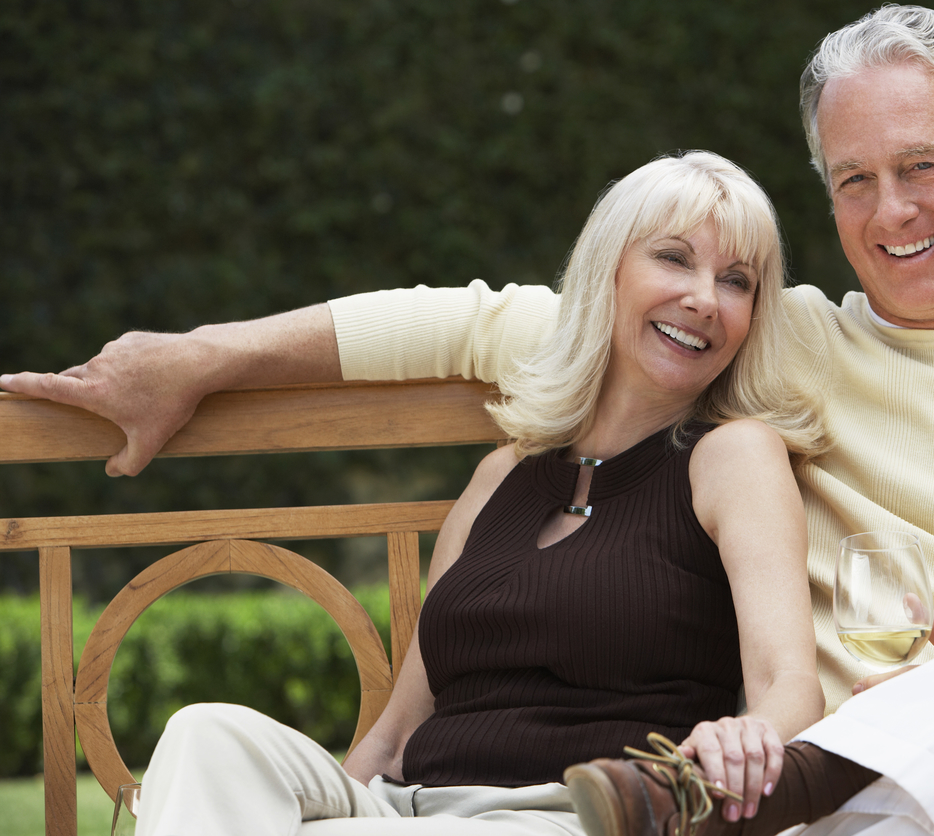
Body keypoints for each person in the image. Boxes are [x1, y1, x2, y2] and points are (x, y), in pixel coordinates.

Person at [4, 5, 934, 835]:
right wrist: (201, 353)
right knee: (216, 737)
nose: (891, 211)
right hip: (873, 806)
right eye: (855, 180)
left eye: (922, 165)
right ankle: (790, 774)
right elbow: (474, 318)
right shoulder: (791, 338)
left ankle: (782, 773)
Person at [125, 151, 827, 835]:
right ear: (605, 274)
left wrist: (749, 739)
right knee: (205, 734)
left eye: (736, 280)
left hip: (571, 815)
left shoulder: (733, 457)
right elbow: (399, 729)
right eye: (674, 258)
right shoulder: (501, 475)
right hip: (406, 809)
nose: (704, 298)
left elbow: (789, 682)